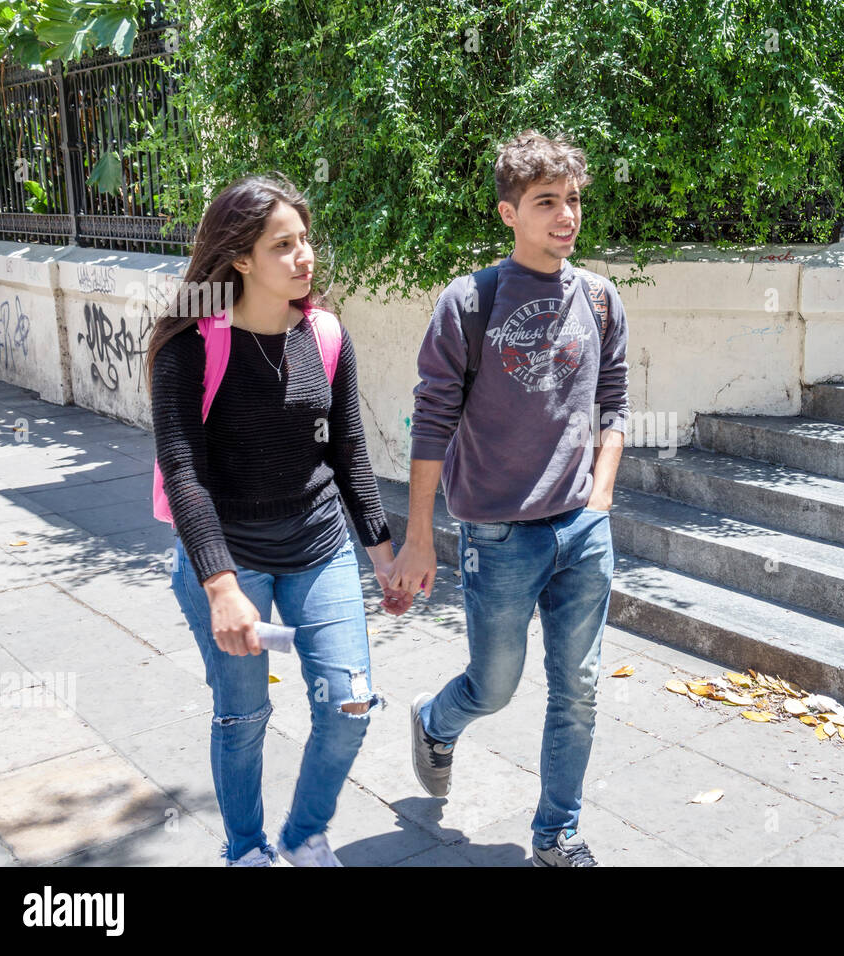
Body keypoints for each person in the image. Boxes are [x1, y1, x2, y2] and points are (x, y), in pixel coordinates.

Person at [148, 174, 407, 867]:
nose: (305, 256)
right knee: (243, 717)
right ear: (240, 258)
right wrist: (220, 585)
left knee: (351, 702)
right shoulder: (191, 346)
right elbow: (182, 469)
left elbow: (348, 452)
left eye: (305, 240)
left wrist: (383, 556)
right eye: (283, 245)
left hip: (318, 546)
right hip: (229, 558)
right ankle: (246, 850)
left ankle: (303, 833)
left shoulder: (323, 335)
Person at [388, 130, 630, 867]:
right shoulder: (472, 300)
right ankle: (436, 719)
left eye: (574, 200)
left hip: (581, 530)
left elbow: (614, 406)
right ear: (509, 213)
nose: (566, 217)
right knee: (494, 686)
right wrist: (421, 536)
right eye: (546, 202)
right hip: (497, 532)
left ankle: (557, 833)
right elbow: (431, 420)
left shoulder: (598, 296)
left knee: (578, 690)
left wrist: (600, 497)